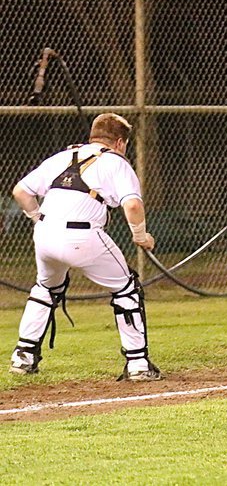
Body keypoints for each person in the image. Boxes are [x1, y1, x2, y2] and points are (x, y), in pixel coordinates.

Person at [9, 113, 162, 381]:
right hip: (83, 234)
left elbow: (21, 191)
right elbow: (133, 205)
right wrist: (141, 235)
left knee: (45, 288)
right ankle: (138, 364)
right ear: (120, 142)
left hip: (45, 233)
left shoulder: (60, 157)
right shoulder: (116, 162)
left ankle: (24, 356)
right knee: (127, 287)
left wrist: (38, 219)